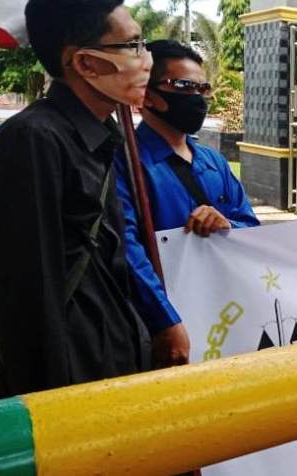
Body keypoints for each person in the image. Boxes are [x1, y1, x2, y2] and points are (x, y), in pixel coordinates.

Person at [0, 0, 151, 396]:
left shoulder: (101, 134)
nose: (144, 58)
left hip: (111, 367)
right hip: (68, 391)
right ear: (85, 63)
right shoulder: (35, 142)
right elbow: (27, 296)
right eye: (131, 45)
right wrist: (56, 411)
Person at [115, 39, 259, 368]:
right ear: (147, 95)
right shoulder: (124, 161)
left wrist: (228, 226)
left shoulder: (214, 162)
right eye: (182, 86)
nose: (195, 98)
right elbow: (127, 249)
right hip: (159, 328)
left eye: (202, 88)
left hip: (226, 314)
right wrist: (165, 321)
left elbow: (251, 228)